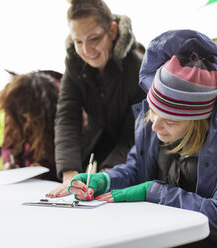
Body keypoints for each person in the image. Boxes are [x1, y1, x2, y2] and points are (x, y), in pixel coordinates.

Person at [68, 30, 217, 248]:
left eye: (171, 121)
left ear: (199, 121)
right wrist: (106, 180)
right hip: (162, 228)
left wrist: (153, 192)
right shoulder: (154, 115)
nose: (155, 125)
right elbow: (136, 167)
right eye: (153, 112)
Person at [47, 0, 146, 198]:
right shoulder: (74, 66)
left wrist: (105, 176)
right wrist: (70, 174)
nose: (87, 50)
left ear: (112, 30)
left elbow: (132, 134)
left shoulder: (137, 68)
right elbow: (67, 119)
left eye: (94, 39)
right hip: (94, 144)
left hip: (133, 153)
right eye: (78, 42)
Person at [0, 71, 60, 181]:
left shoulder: (58, 116)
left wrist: (44, 165)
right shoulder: (14, 115)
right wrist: (9, 161)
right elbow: (8, 144)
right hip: (22, 180)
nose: (26, 116)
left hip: (53, 181)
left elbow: (67, 149)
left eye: (31, 110)